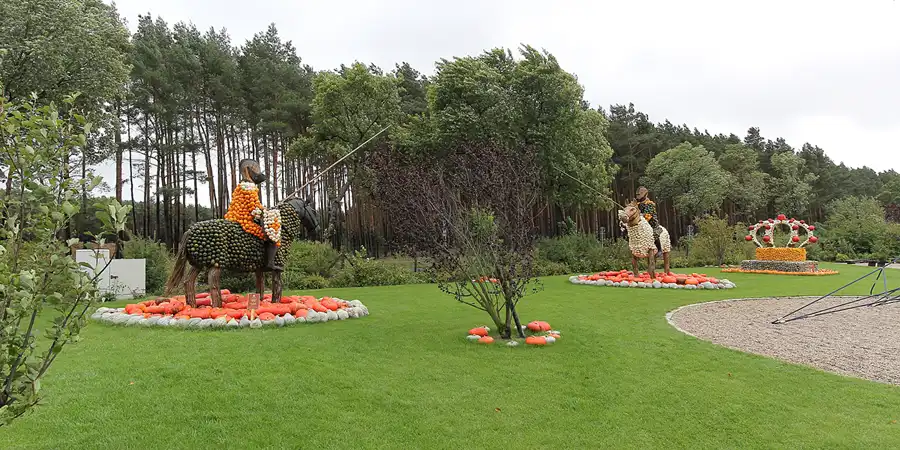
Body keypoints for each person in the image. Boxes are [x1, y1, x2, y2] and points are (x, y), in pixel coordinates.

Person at [224, 159, 283, 271]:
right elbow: (254, 208)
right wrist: (267, 212)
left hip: (234, 217)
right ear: (249, 170)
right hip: (242, 220)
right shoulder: (249, 186)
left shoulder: (241, 185)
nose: (257, 172)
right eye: (256, 169)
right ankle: (269, 263)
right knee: (273, 234)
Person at [630, 186, 662, 255]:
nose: (638, 196)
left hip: (651, 224)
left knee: (655, 234)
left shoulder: (650, 204)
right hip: (640, 224)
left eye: (639, 195)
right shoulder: (637, 204)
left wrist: (640, 216)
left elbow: (648, 215)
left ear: (645, 194)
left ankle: (659, 249)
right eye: (637, 195)